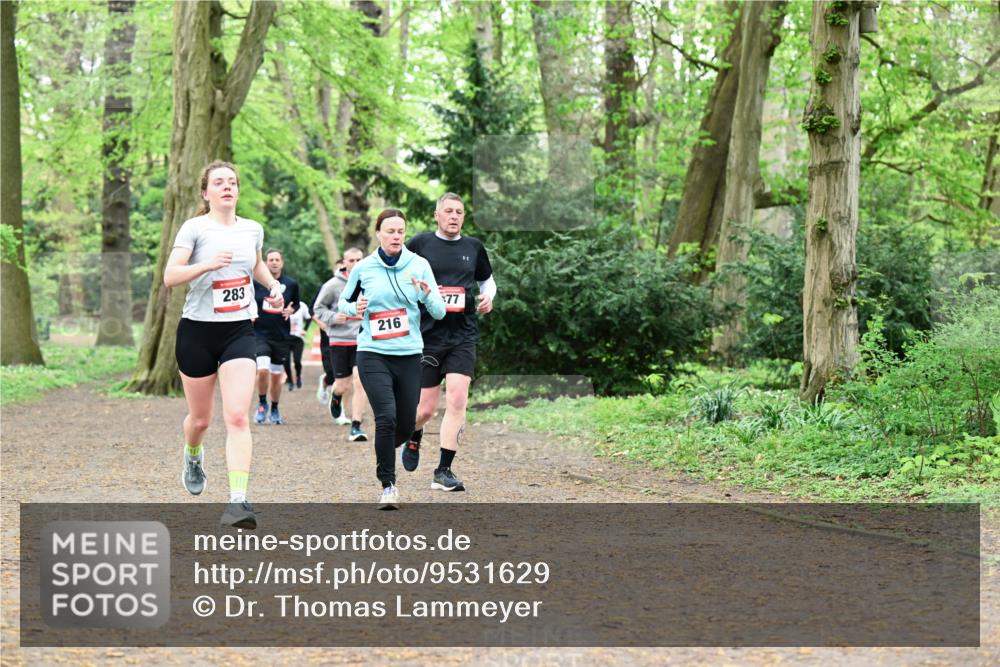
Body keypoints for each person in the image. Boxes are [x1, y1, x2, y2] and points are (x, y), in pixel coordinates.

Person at [165, 160, 284, 529]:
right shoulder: (194, 228)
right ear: (206, 193)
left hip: (239, 332)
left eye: (232, 181)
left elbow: (256, 266)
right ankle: (193, 454)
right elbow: (171, 277)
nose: (227, 187)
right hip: (197, 332)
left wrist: (273, 287)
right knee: (201, 420)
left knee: (236, 416)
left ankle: (238, 501)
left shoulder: (252, 229)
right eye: (219, 182)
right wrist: (206, 265)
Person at [338, 209, 446, 509]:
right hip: (372, 352)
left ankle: (396, 444)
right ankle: (388, 485)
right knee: (385, 417)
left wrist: (426, 296)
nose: (396, 236)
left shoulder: (420, 265)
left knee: (404, 422)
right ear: (378, 234)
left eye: (401, 231)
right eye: (390, 231)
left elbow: (439, 312)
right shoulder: (363, 268)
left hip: (409, 353)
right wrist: (354, 308)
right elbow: (343, 303)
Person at [403, 193, 496, 492]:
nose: (454, 216)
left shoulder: (473, 247)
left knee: (457, 399)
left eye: (459, 212)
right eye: (448, 211)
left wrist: (488, 297)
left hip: (463, 336)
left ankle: (443, 470)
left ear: (463, 217)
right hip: (427, 337)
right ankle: (415, 433)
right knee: (425, 410)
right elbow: (399, 276)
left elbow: (487, 280)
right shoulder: (419, 245)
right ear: (437, 215)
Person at [314, 247, 370, 441]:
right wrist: (334, 317)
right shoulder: (332, 285)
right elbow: (318, 308)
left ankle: (356, 426)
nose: (355, 263)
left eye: (359, 260)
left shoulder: (370, 282)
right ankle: (336, 396)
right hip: (339, 340)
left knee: (360, 381)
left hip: (362, 339)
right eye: (351, 260)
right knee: (342, 385)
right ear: (344, 262)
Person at [252, 249, 300, 425]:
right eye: (270, 259)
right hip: (259, 334)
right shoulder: (257, 283)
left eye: (277, 259)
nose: (273, 262)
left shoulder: (291, 283)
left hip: (280, 335)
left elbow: (296, 303)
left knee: (276, 375)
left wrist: (291, 310)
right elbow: (248, 301)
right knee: (263, 369)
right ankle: (262, 402)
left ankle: (275, 407)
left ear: (282, 262)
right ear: (265, 262)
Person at [315, 260, 345, 405]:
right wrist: (325, 324)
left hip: (350, 337)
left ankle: (344, 411)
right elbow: (314, 310)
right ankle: (326, 381)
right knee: (332, 373)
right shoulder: (327, 287)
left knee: (350, 378)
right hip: (329, 336)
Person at [283, 300, 310, 391]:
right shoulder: (282, 304)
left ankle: (298, 376)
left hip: (298, 339)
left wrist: (305, 329)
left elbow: (309, 317)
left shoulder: (302, 305)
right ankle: (290, 381)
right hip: (285, 338)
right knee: (286, 361)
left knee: (297, 361)